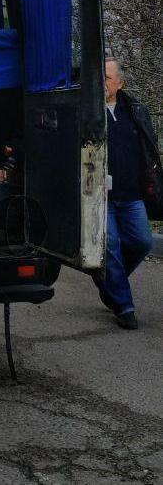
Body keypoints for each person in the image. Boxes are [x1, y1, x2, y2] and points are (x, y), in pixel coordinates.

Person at [96, 58, 159, 329]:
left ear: (120, 83)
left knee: (143, 242)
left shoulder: (135, 111)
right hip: (101, 197)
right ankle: (124, 305)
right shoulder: (90, 111)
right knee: (111, 247)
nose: (103, 83)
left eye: (107, 77)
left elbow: (149, 148)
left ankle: (109, 282)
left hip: (132, 194)